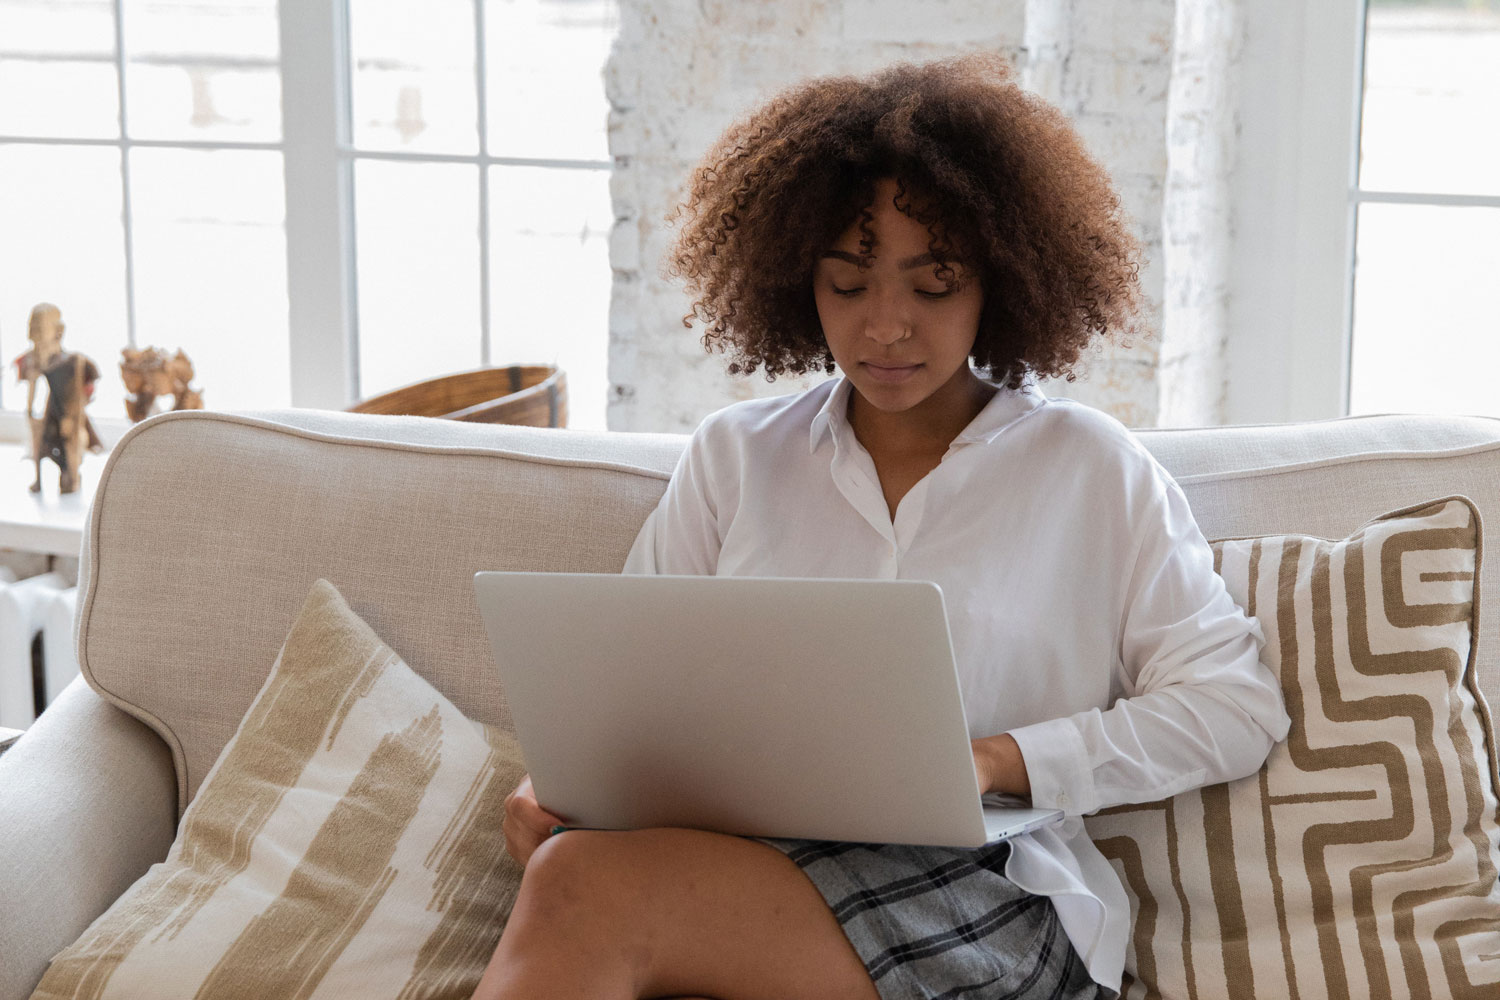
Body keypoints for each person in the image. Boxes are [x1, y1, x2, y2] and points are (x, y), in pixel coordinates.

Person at [475, 54, 1290, 1000]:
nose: (886, 327)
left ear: (1000, 278)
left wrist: (999, 760)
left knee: (581, 888)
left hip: (986, 899)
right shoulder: (735, 459)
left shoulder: (1091, 471)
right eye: (847, 284)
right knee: (571, 866)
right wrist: (564, 791)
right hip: (741, 875)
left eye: (932, 284)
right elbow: (624, 698)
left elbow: (1236, 707)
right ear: (795, 281)